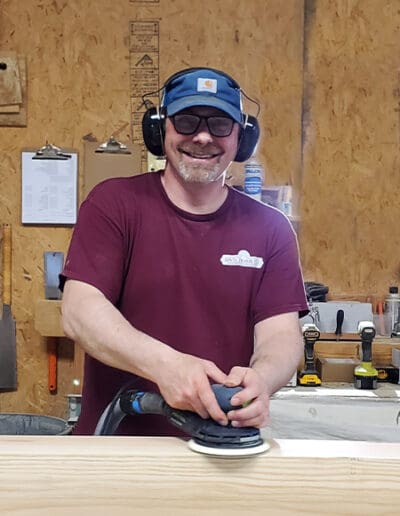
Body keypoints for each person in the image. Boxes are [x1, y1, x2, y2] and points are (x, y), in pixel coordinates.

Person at [60, 67, 309, 436]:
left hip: (219, 451)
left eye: (220, 124)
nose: (203, 136)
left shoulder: (270, 228)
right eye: (187, 121)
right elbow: (80, 312)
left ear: (243, 137)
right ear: (161, 130)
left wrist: (262, 378)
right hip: (117, 449)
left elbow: (281, 335)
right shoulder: (114, 204)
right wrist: (168, 366)